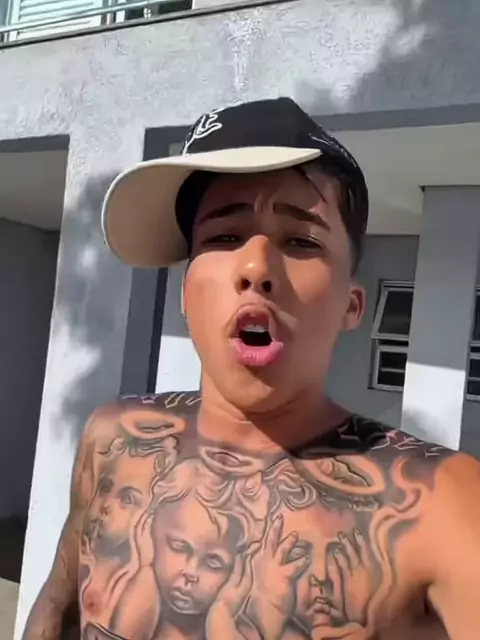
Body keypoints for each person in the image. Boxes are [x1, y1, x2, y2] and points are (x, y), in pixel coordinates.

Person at [22, 97, 480, 640]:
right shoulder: (114, 439)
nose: (256, 267)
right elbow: (56, 607)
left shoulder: (441, 503)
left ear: (351, 305)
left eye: (301, 241)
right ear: (185, 295)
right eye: (224, 236)